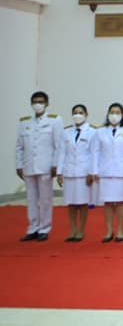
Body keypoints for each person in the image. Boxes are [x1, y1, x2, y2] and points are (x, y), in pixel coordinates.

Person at [15, 91, 63, 242]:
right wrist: (19, 164)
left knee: (45, 199)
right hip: (29, 166)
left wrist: (56, 165)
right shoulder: (25, 122)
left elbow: (58, 145)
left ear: (47, 103)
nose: (38, 104)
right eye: (35, 101)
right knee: (31, 199)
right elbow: (19, 147)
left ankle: (44, 228)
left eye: (41, 101)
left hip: (46, 166)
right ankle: (33, 227)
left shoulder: (55, 121)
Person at [92, 103, 123, 243]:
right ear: (107, 114)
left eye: (117, 112)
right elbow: (95, 152)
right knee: (107, 202)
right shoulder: (100, 132)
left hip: (122, 171)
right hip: (105, 171)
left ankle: (120, 229)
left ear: (122, 115)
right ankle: (108, 230)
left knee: (120, 202)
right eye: (112, 112)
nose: (114, 115)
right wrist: (94, 170)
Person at [57, 104, 97, 242]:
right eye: (75, 112)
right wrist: (59, 172)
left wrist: (92, 172)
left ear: (86, 114)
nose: (78, 115)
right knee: (71, 203)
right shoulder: (66, 132)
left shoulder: (92, 132)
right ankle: (72, 229)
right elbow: (62, 153)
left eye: (81, 112)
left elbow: (94, 154)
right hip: (69, 172)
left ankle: (81, 230)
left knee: (83, 203)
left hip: (84, 172)